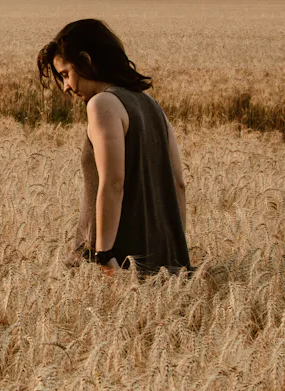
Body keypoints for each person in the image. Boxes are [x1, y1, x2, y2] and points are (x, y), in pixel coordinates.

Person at [37, 19, 191, 275]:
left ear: (86, 61)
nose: (65, 87)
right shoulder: (153, 107)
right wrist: (176, 254)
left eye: (65, 74)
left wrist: (104, 255)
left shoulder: (102, 104)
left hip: (114, 262)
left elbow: (113, 182)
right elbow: (179, 184)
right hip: (164, 262)